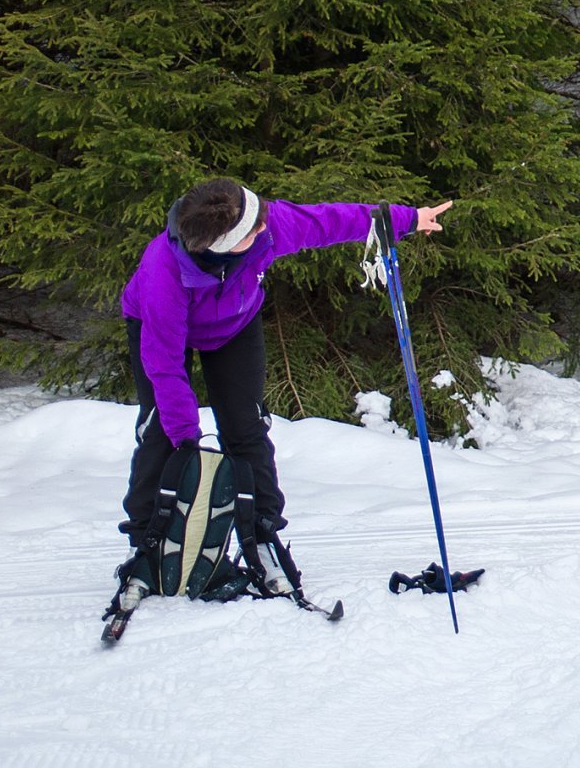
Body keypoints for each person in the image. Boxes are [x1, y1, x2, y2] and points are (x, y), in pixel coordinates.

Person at [117, 178, 451, 596]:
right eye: (253, 227)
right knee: (161, 431)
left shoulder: (263, 224)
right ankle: (146, 543)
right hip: (159, 330)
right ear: (223, 245)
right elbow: (165, 367)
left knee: (246, 427)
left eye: (259, 215)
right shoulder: (162, 273)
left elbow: (328, 220)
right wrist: (187, 441)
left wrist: (405, 219)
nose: (265, 225)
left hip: (233, 326)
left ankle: (261, 535)